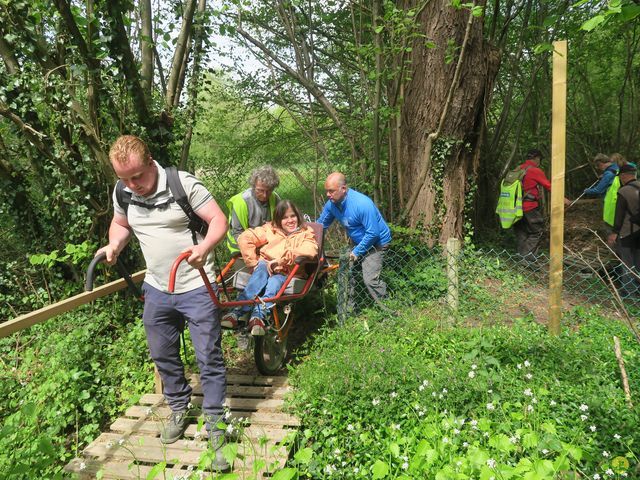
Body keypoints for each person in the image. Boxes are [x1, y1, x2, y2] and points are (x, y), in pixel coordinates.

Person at [95, 135, 230, 469]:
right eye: (124, 178)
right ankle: (179, 406)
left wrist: (204, 247)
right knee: (163, 354)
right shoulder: (122, 191)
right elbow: (121, 223)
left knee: (208, 355)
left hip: (197, 285)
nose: (132, 184)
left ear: (150, 160)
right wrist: (115, 245)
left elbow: (218, 220)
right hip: (156, 287)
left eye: (137, 176)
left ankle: (214, 420)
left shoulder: (182, 184)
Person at [220, 200, 318, 335]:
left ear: (298, 216)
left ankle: (258, 316)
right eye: (285, 217)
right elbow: (245, 238)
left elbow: (309, 250)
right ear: (278, 219)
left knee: (274, 282)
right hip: (264, 266)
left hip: (287, 272)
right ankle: (237, 312)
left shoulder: (305, 233)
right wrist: (253, 263)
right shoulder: (271, 229)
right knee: (260, 271)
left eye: (293, 216)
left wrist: (281, 261)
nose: (290, 220)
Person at [318, 172, 391, 306]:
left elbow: (373, 233)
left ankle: (389, 310)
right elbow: (320, 226)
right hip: (358, 241)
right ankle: (350, 309)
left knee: (370, 280)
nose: (328, 194)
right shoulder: (332, 204)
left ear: (343, 189)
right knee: (348, 273)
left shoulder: (362, 204)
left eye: (331, 191)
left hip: (377, 242)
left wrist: (356, 252)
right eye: (327, 191)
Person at [513, 148, 570, 256]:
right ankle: (527, 259)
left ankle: (521, 257)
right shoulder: (535, 170)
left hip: (515, 207)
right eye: (540, 159)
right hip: (529, 207)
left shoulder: (518, 169)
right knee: (537, 231)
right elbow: (549, 186)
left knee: (521, 232)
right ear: (537, 158)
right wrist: (561, 198)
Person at [226, 166, 280, 254]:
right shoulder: (241, 201)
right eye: (260, 190)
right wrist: (257, 248)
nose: (265, 195)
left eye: (269, 191)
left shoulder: (275, 198)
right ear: (253, 186)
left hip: (268, 245)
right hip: (241, 247)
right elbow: (237, 233)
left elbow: (280, 224)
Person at [607, 164, 640, 297]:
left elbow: (619, 215)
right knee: (638, 261)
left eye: (621, 176)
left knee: (627, 262)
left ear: (624, 176)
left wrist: (614, 232)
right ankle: (638, 289)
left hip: (627, 232)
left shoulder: (624, 191)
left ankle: (628, 291)